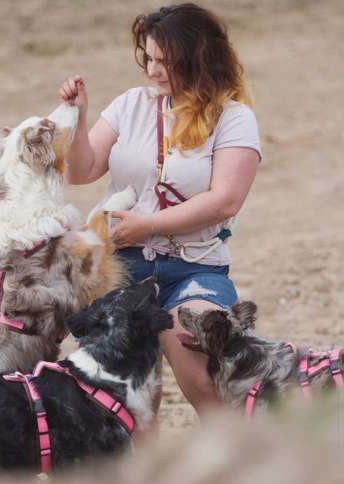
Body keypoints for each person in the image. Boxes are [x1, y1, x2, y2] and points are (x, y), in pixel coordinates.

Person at [59, 3, 261, 421]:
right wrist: (78, 119)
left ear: (199, 59)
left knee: (204, 378)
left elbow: (226, 199)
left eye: (166, 62)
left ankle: (233, 463)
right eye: (148, 58)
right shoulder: (129, 104)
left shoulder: (235, 118)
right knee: (125, 393)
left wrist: (149, 224)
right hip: (121, 267)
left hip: (194, 268)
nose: (153, 70)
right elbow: (82, 171)